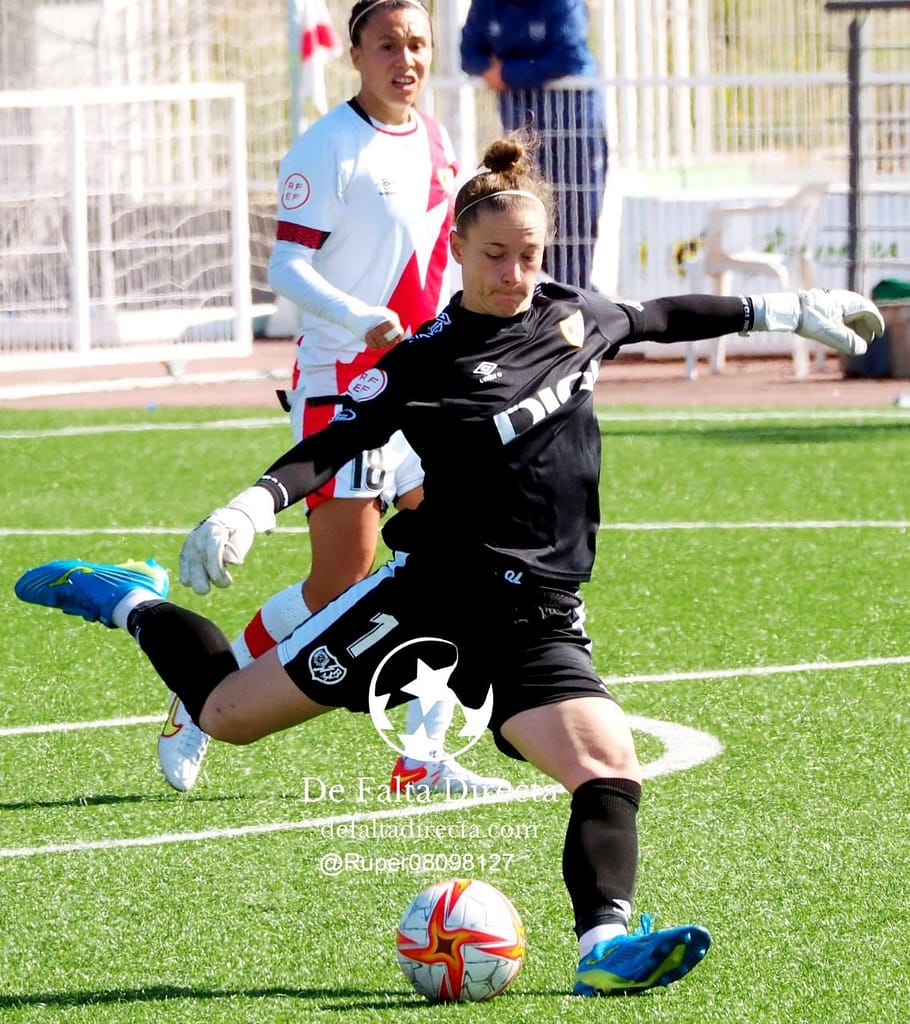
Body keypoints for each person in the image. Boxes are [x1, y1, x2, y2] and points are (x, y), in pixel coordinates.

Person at [15, 136, 882, 995]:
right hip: (428, 603)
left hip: (538, 617)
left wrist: (784, 309)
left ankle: (602, 945)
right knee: (226, 713)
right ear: (458, 249)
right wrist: (251, 504)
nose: (515, 273)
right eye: (496, 255)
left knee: (608, 766)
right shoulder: (425, 359)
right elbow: (335, 443)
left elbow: (658, 316)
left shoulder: (571, 315)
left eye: (530, 255)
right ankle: (134, 602)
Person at [156, 0, 510, 798]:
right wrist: (360, 318)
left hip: (424, 384)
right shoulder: (326, 147)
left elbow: (437, 261)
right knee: (337, 586)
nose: (406, 58)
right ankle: (195, 694)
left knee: (456, 558)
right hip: (342, 380)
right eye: (388, 44)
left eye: (417, 43)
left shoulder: (438, 137)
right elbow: (285, 269)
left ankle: (421, 753)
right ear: (356, 52)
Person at [460, 0, 607, 290]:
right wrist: (494, 70)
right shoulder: (488, 5)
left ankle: (576, 304)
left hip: (575, 131)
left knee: (574, 228)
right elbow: (468, 54)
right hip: (523, 136)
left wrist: (506, 75)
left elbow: (570, 57)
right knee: (526, 221)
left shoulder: (563, 4)